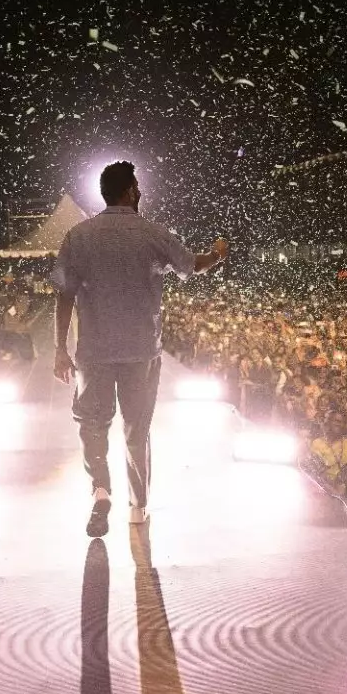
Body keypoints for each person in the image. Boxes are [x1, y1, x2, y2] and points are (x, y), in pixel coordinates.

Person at [51, 160, 228, 537]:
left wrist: (59, 350)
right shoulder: (152, 233)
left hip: (94, 352)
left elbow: (64, 295)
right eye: (138, 188)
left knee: (93, 425)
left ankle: (100, 489)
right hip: (140, 351)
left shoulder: (78, 236)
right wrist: (216, 254)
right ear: (130, 191)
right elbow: (192, 266)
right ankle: (138, 506)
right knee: (136, 429)